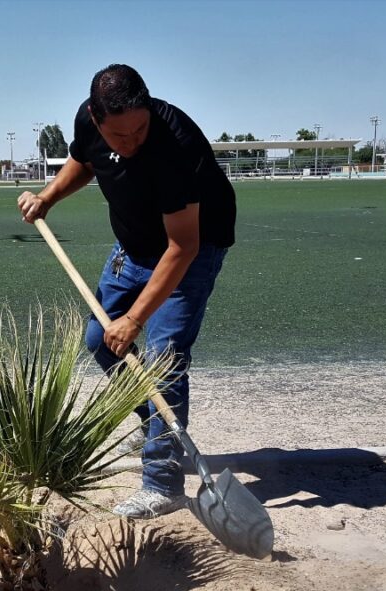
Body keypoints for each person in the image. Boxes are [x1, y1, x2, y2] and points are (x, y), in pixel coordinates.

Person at [18, 64, 236, 519]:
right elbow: (86, 161)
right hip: (134, 245)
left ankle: (163, 484)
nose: (132, 141)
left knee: (163, 361)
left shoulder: (175, 145)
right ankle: (153, 420)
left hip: (190, 249)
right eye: (120, 135)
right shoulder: (89, 122)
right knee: (101, 340)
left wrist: (135, 319)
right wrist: (48, 196)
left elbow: (183, 246)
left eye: (140, 129)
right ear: (96, 118)